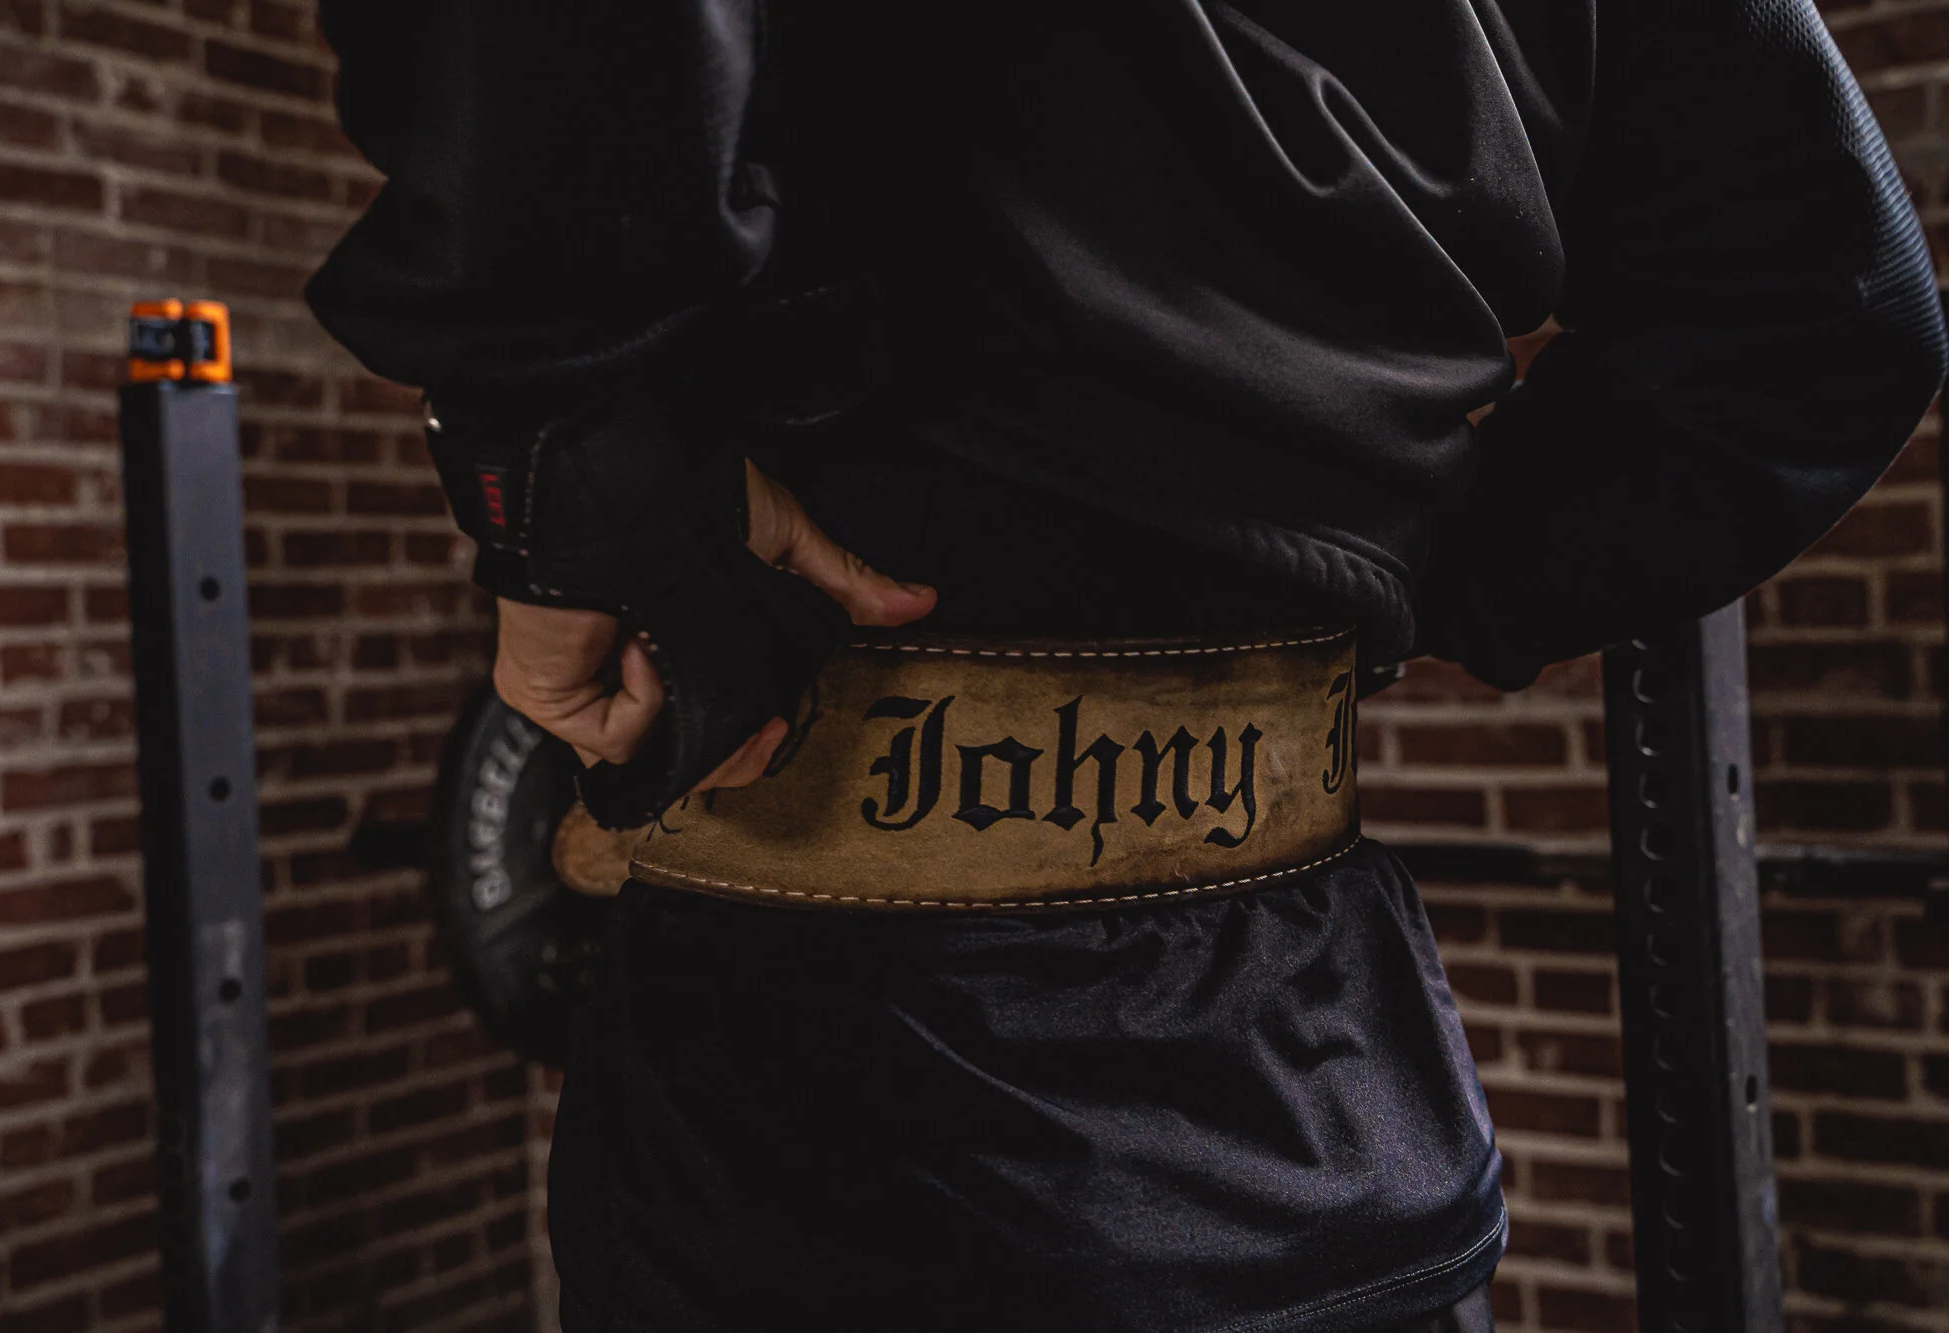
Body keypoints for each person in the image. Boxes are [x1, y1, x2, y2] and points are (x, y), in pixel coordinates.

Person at [306, 1, 1948, 1328]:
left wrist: (577, 475)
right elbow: (1830, 309)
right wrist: (1373, 571)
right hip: (1327, 1085)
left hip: (845, 1092)